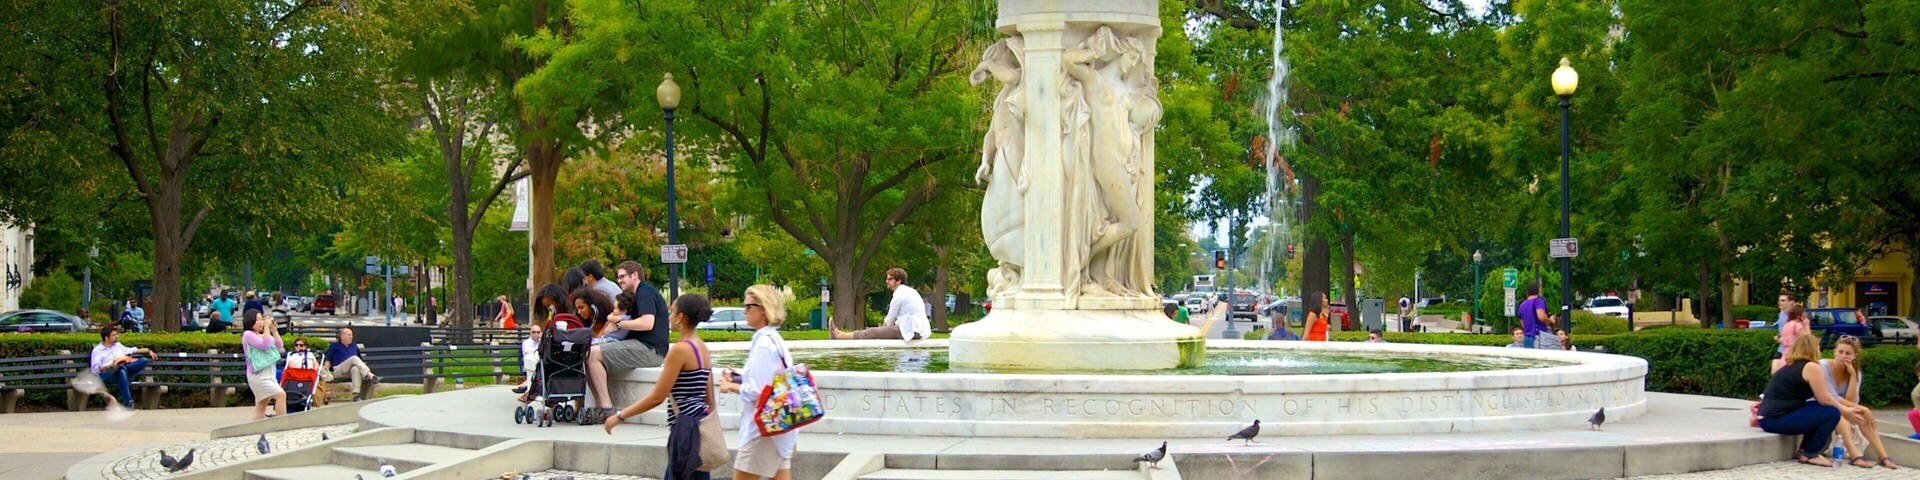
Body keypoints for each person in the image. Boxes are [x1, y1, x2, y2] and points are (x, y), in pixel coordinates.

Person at [606, 294, 717, 480]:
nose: (669, 317)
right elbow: (709, 398)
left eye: (672, 311)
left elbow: (657, 396)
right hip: (700, 429)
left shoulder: (680, 350)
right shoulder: (702, 348)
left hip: (684, 431)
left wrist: (619, 416)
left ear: (681, 317)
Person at [716, 285, 797, 480]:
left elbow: (758, 391)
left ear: (763, 309)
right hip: (780, 427)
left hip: (763, 430)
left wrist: (731, 386)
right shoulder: (775, 340)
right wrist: (740, 376)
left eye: (748, 307)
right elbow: (769, 380)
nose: (744, 311)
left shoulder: (763, 344)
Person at [1756, 332, 1863, 467]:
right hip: (1775, 420)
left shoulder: (1792, 365)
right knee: (1831, 413)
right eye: (1818, 347)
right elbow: (1825, 399)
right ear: (1812, 348)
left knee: (1820, 407)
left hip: (1769, 418)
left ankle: (1805, 450)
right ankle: (1809, 453)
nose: (1820, 350)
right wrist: (1845, 411)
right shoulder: (1811, 367)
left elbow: (1820, 398)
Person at [583, 265, 672, 421]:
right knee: (589, 351)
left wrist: (619, 323)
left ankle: (606, 408)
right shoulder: (636, 295)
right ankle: (601, 407)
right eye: (618, 277)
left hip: (649, 350)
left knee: (592, 354)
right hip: (642, 347)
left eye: (623, 276)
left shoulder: (645, 293)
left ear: (635, 275)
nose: (619, 280)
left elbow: (647, 323)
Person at [1820, 336, 1900, 469]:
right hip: (1824, 404)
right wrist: (1863, 408)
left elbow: (1852, 400)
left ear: (1854, 355)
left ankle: (1883, 456)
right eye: (1840, 352)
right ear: (1834, 351)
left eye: (1848, 353)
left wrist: (1852, 376)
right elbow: (1831, 396)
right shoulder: (1823, 366)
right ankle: (1854, 455)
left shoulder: (1856, 373)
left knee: (1862, 416)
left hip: (1842, 405)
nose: (1843, 356)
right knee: (1842, 413)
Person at [832, 269, 931, 342]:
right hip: (919, 330)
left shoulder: (899, 295)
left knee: (872, 332)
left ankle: (839, 335)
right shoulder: (910, 291)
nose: (886, 281)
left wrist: (881, 331)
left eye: (890, 279)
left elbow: (889, 319)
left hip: (911, 330)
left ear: (898, 281)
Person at [90, 325, 155, 409]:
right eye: (114, 335)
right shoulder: (97, 350)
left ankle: (122, 369)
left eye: (117, 334)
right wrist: (109, 366)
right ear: (106, 338)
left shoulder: (118, 345)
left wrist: (148, 350)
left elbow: (132, 350)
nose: (117, 337)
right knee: (120, 369)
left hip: (123, 370)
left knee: (143, 360)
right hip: (108, 375)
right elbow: (95, 370)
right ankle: (128, 401)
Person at [241, 309, 287, 420]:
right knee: (281, 395)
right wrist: (266, 328)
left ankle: (257, 430)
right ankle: (282, 424)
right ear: (250, 321)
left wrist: (274, 331)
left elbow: (279, 345)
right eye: (258, 320)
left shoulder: (262, 334)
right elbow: (265, 345)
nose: (261, 322)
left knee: (261, 404)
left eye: (262, 319)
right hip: (258, 375)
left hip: (269, 373)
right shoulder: (248, 335)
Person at [325, 327, 379, 401]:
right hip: (338, 370)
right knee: (353, 358)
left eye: (352, 335)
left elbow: (360, 361)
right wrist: (326, 373)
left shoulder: (354, 346)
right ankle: (370, 375)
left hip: (350, 372)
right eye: (349, 335)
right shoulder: (334, 346)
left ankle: (355, 395)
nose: (351, 337)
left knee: (355, 369)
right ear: (342, 336)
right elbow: (328, 360)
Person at [285, 337, 325, 407]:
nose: (298, 347)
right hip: (296, 375)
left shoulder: (310, 355)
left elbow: (316, 366)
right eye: (296, 345)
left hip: (309, 375)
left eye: (301, 345)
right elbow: (291, 365)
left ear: (305, 346)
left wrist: (313, 370)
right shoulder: (292, 355)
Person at [1518, 283, 1558, 349]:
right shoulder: (1539, 301)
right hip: (1539, 337)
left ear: (1527, 292)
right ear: (1539, 291)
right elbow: (1541, 317)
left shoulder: (1522, 305)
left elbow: (1523, 323)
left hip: (1527, 337)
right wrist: (1551, 320)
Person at [1773, 304, 1810, 372]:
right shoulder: (1797, 325)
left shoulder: (1786, 325)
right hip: (1796, 354)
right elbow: (1807, 339)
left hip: (1785, 354)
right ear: (1800, 315)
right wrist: (1807, 325)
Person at [513, 323, 544, 394]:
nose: (536, 334)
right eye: (534, 332)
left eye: (538, 332)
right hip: (529, 365)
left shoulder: (542, 342)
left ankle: (525, 385)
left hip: (540, 365)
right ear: (530, 333)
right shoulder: (526, 342)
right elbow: (528, 352)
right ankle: (526, 386)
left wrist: (542, 340)